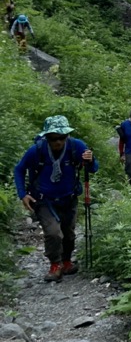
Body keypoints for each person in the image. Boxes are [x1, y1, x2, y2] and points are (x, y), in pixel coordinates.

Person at [13, 115, 98, 282]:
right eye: (53, 138)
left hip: (69, 198)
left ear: (67, 135)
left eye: (62, 137)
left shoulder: (76, 146)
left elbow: (93, 168)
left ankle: (66, 261)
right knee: (53, 233)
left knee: (69, 234)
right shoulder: (36, 150)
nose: (58, 142)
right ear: (47, 137)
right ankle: (55, 264)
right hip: (44, 200)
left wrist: (90, 160)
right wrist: (23, 194)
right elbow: (19, 169)